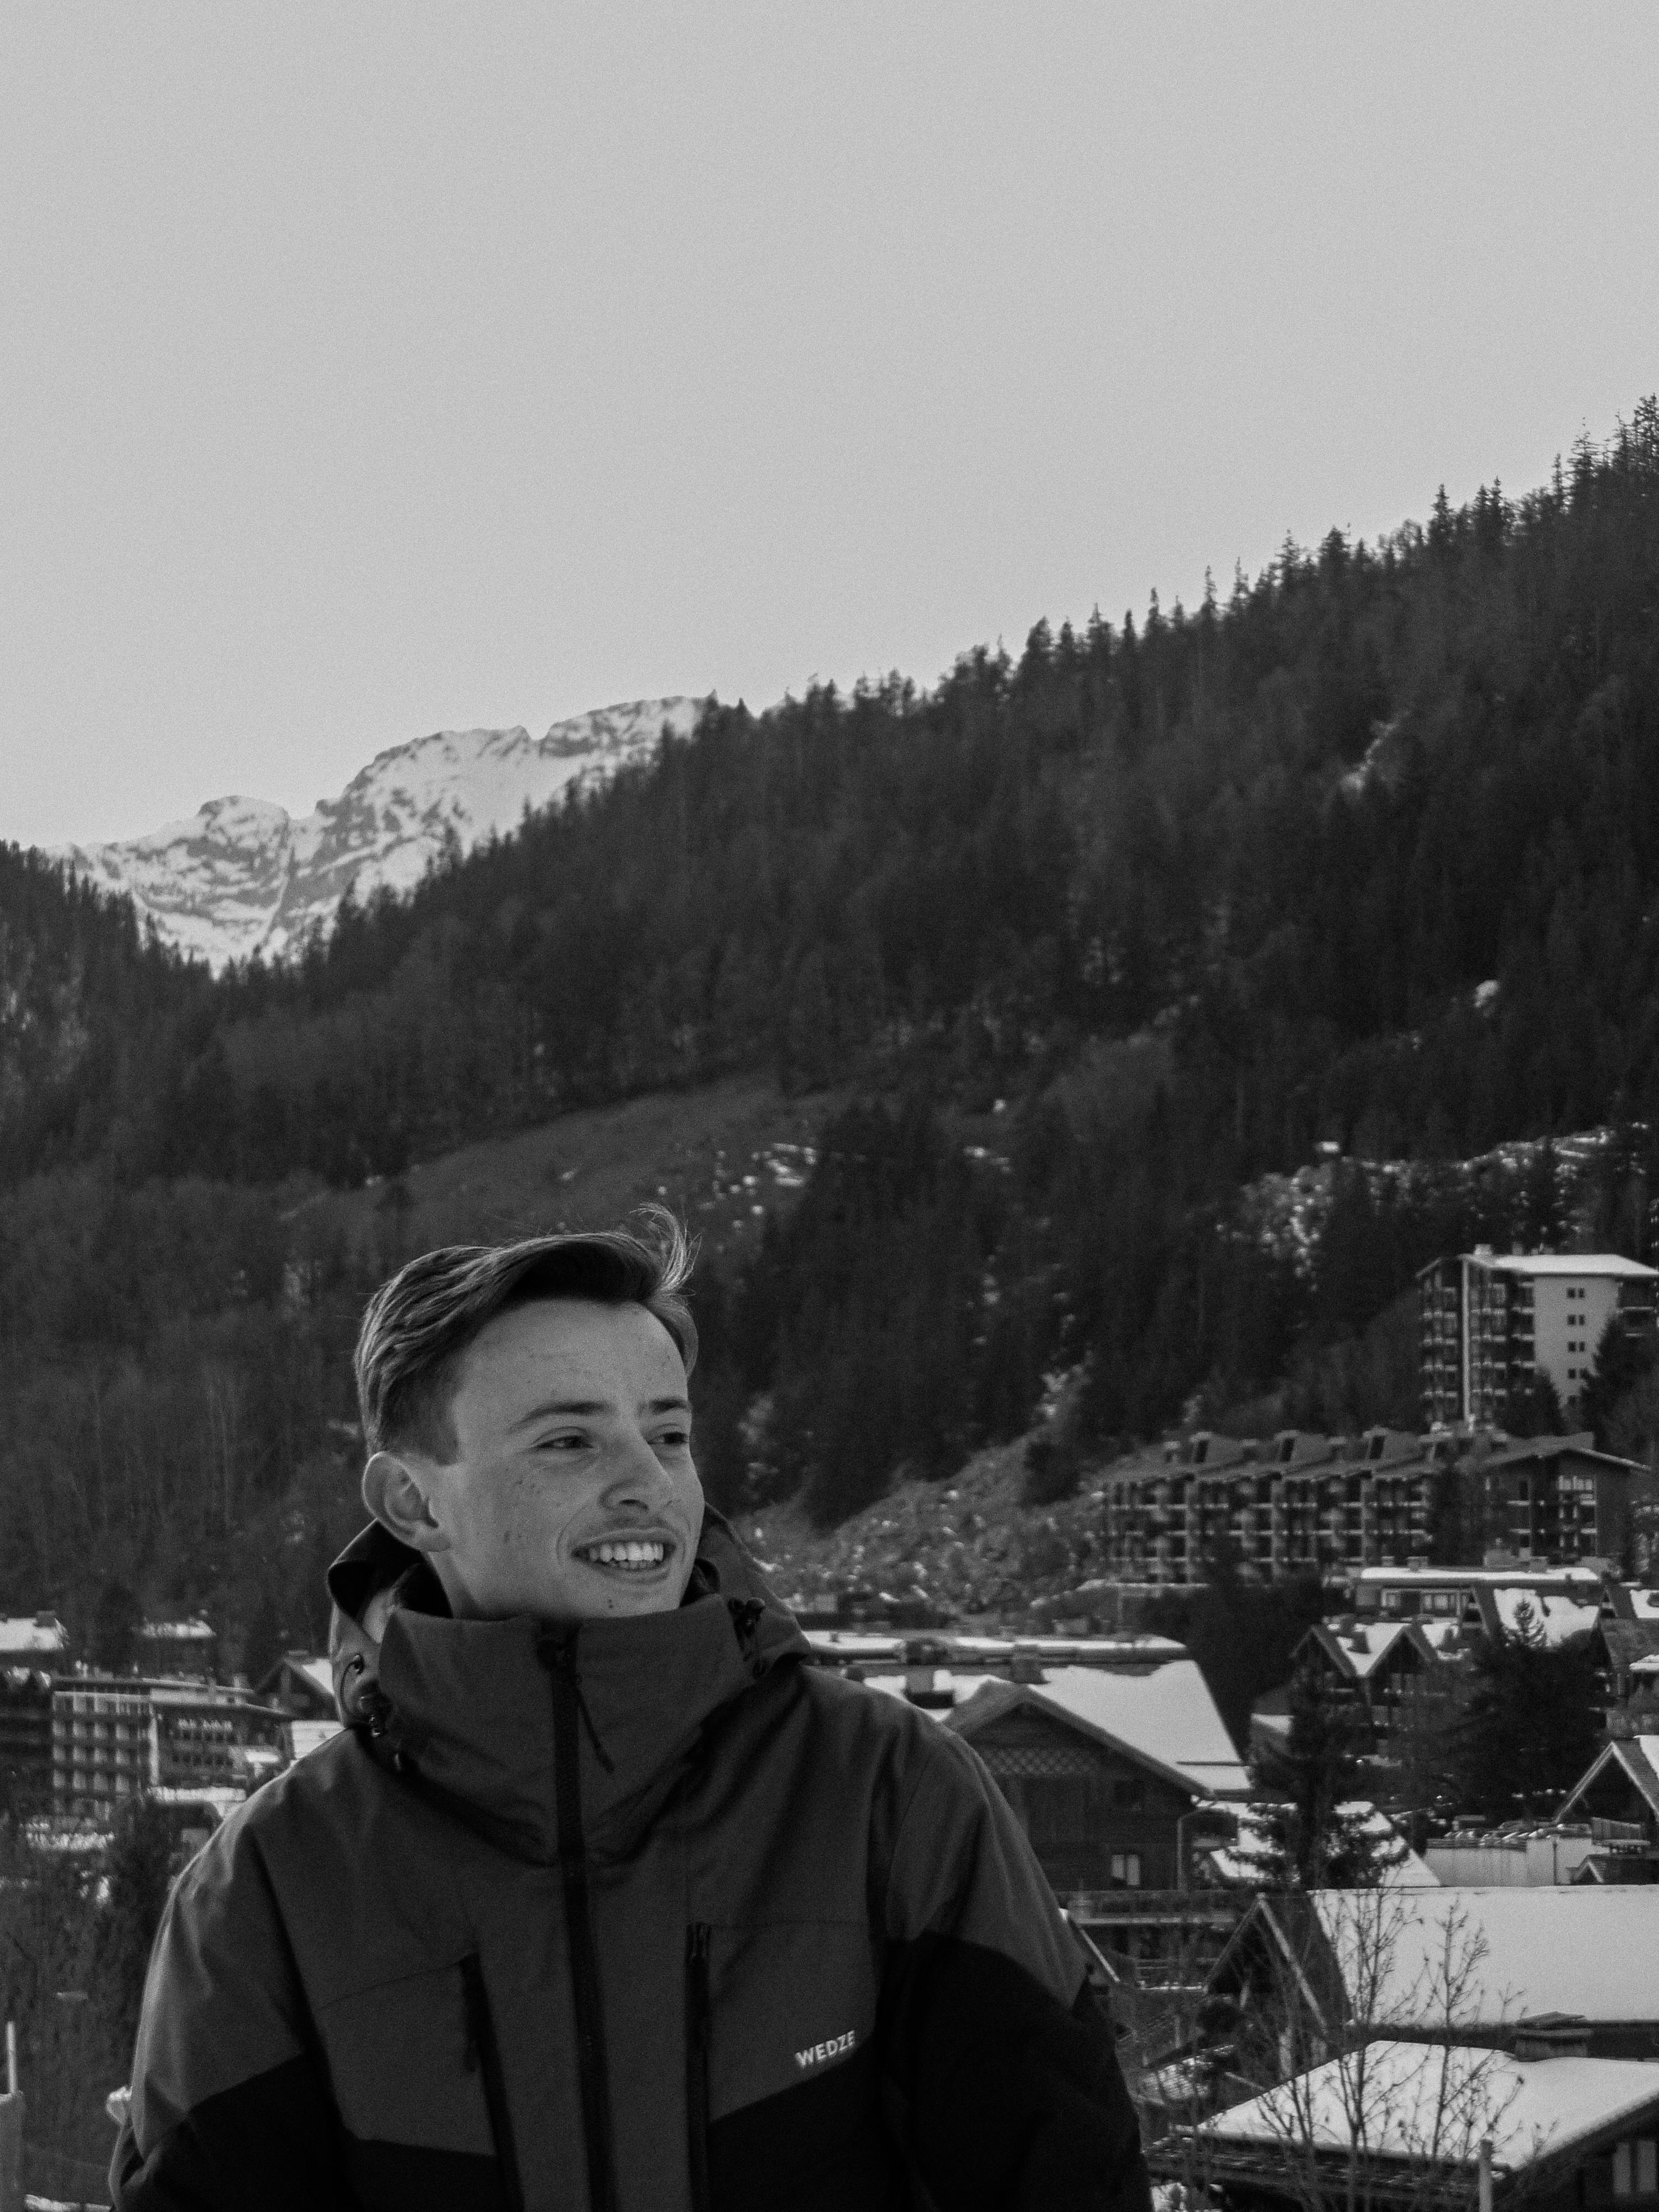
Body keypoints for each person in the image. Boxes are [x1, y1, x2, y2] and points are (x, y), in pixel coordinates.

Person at [113, 1218, 1152, 2211]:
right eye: (570, 1441)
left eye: (670, 1434)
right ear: (414, 1503)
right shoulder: (279, 1881)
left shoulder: (887, 1795)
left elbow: (1063, 2183)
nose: (647, 1485)